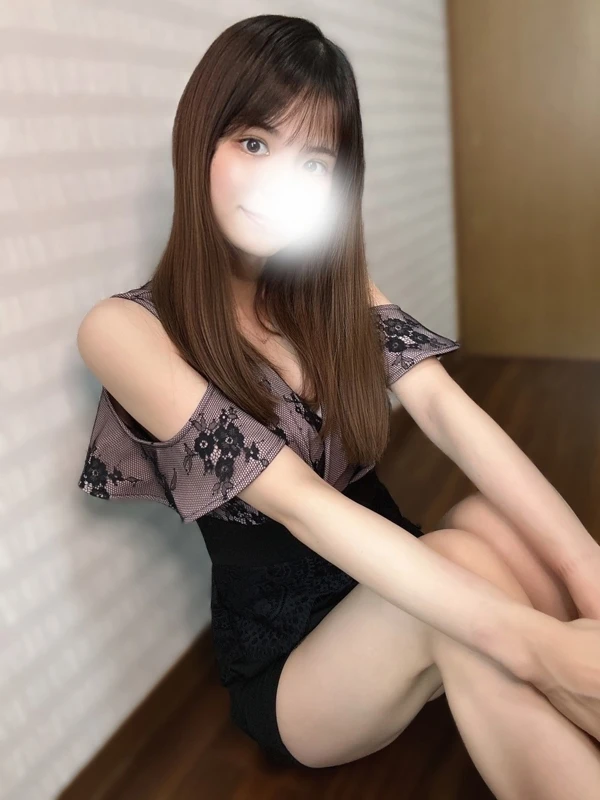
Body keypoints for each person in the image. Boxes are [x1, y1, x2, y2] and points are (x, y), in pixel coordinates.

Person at [76, 15, 600, 797]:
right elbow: (303, 507)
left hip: (392, 571)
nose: (280, 184)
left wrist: (588, 570)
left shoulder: (332, 289)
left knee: (491, 526)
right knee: (470, 590)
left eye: (314, 162)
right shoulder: (124, 330)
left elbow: (446, 412)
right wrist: (541, 649)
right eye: (254, 143)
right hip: (292, 659)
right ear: (199, 139)